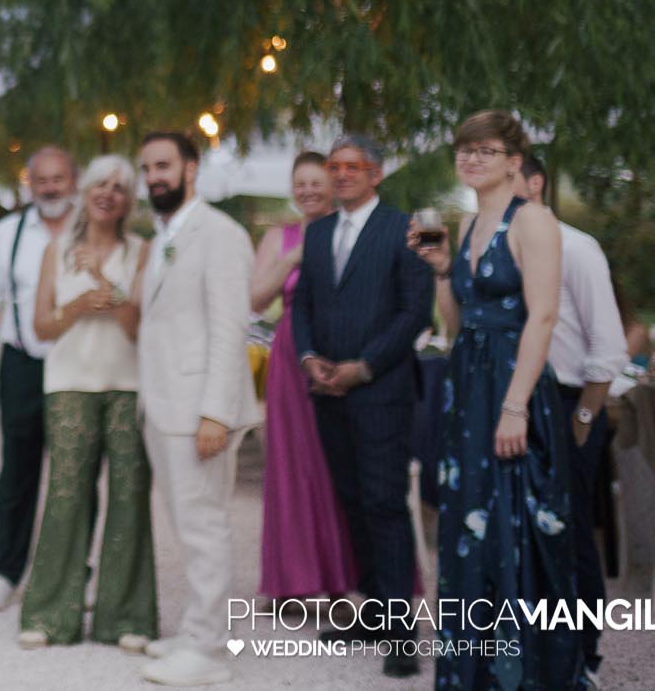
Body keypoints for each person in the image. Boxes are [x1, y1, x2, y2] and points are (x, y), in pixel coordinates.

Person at [412, 110, 581, 691]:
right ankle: (471, 675)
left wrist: (515, 406)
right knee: (469, 531)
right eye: (465, 149)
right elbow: (458, 326)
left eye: (485, 150)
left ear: (514, 161)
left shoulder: (532, 221)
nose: (472, 158)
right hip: (469, 387)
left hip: (515, 388)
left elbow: (544, 316)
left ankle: (524, 676)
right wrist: (440, 271)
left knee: (518, 529)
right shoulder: (465, 224)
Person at [290, 133, 429, 677]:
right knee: (350, 500)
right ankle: (370, 611)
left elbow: (415, 313)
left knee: (384, 504)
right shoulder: (319, 230)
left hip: (382, 392)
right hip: (325, 390)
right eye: (335, 166)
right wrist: (307, 357)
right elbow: (304, 303)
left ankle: (401, 634)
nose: (341, 174)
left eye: (354, 166)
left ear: (376, 174)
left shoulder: (408, 228)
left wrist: (364, 366)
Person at [131, 130, 259, 688]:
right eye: (147, 168)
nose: (154, 176)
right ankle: (194, 629)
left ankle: (208, 649)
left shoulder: (220, 234)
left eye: (164, 165)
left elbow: (231, 328)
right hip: (162, 406)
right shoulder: (163, 235)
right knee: (186, 525)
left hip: (197, 410)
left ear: (191, 168)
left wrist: (216, 412)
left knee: (204, 525)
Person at [18, 153, 156, 650]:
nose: (109, 192)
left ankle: (126, 619)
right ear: (87, 192)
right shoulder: (56, 250)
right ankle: (51, 615)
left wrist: (105, 283)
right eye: (101, 183)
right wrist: (77, 305)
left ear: (127, 202)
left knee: (129, 495)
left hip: (127, 384)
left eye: (120, 187)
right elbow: (40, 327)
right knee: (66, 496)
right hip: (70, 384)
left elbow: (136, 326)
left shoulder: (142, 250)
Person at [518, 152, 623, 685]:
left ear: (536, 183)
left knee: (572, 533)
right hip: (512, 404)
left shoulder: (578, 249)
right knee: (518, 533)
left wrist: (583, 417)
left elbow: (609, 347)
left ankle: (585, 656)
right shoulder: (497, 248)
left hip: (567, 403)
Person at [0, 144, 77, 612]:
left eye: (59, 178)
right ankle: (6, 571)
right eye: (41, 179)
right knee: (18, 469)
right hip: (22, 363)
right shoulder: (9, 233)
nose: (50, 187)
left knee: (76, 471)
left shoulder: (92, 229)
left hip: (78, 366)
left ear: (74, 180)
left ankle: (75, 571)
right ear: (30, 183)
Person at [249, 151, 357, 601]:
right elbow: (256, 298)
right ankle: (293, 581)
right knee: (292, 463)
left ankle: (340, 578)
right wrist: (295, 255)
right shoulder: (280, 236)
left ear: (333, 185)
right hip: (290, 354)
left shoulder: (349, 230)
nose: (309, 191)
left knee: (336, 463)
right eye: (301, 183)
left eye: (318, 182)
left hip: (339, 352)